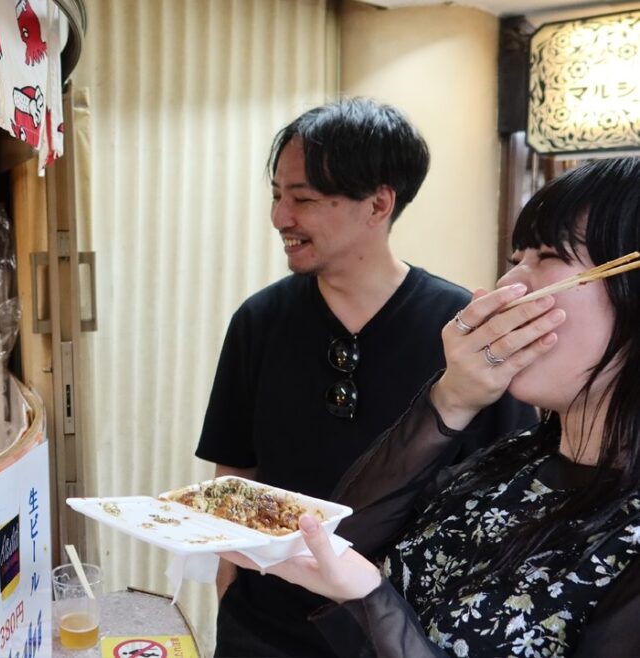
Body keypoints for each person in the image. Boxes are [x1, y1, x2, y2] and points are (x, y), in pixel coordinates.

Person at [221, 156, 640, 657]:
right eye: (516, 258)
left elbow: (360, 580)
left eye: (548, 256)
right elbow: (348, 538)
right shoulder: (514, 461)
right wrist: (452, 396)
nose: (509, 286)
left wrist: (371, 598)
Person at [194, 97, 538, 656]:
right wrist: (227, 583)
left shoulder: (465, 334)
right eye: (278, 196)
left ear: (378, 204)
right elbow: (235, 467)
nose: (281, 217)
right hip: (264, 628)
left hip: (403, 631)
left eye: (302, 198)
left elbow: (506, 492)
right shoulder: (259, 320)